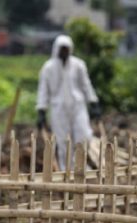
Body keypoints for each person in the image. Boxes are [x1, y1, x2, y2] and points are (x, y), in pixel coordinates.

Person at [36, 34, 101, 170]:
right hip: (58, 109)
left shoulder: (78, 65)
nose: (64, 51)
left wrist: (93, 102)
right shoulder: (48, 68)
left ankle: (80, 167)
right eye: (62, 49)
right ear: (57, 49)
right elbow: (43, 90)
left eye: (66, 48)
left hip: (78, 107)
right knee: (62, 140)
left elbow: (86, 85)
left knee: (83, 136)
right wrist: (41, 110)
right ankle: (66, 169)